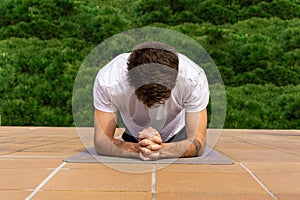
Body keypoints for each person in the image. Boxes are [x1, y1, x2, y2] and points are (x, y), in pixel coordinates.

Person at [93, 41, 209, 161]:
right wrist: (137, 149)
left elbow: (198, 143)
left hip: (177, 135)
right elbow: (101, 141)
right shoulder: (108, 80)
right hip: (133, 135)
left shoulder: (193, 78)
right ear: (130, 79)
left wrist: (162, 150)